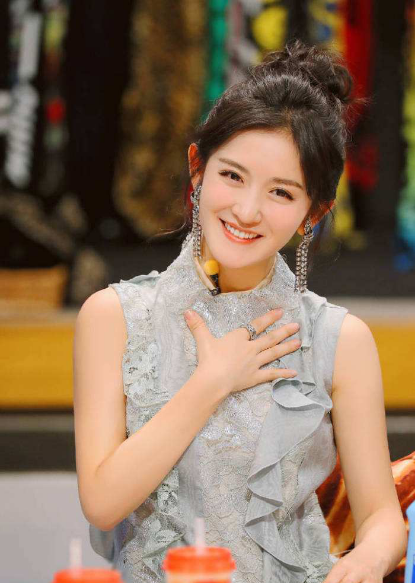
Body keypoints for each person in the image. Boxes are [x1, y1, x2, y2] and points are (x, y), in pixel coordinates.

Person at [73, 41, 407, 584]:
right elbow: (102, 502)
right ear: (197, 169)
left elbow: (381, 519)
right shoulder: (113, 317)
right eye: (232, 176)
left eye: (281, 193)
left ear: (314, 213)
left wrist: (366, 561)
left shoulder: (338, 339)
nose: (247, 211)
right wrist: (212, 382)